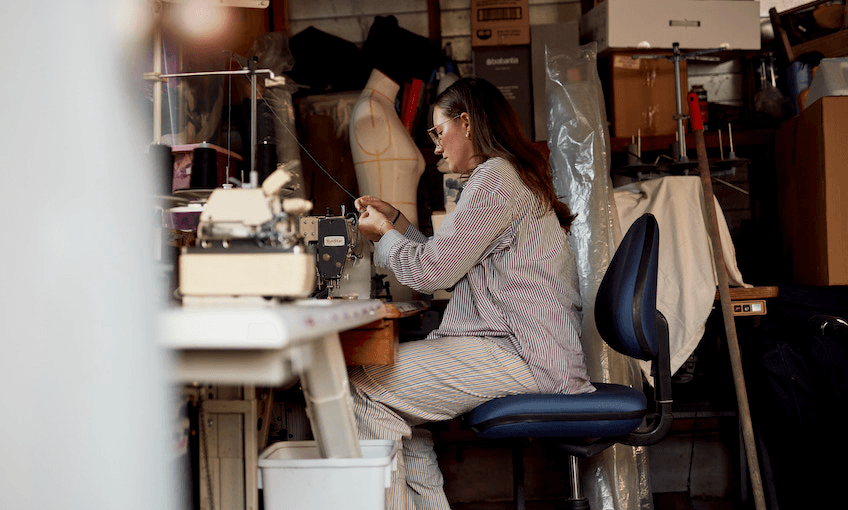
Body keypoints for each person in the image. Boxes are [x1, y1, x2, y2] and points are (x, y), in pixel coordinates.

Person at [349, 77, 593, 510]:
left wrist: (384, 234)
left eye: (439, 133)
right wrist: (399, 222)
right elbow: (449, 258)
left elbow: (431, 273)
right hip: (524, 349)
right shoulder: (505, 175)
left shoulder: (494, 179)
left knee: (364, 386)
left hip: (524, 355)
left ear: (466, 123)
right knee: (401, 404)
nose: (437, 148)